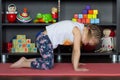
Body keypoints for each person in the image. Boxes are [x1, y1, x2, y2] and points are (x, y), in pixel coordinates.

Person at [10, 20, 102, 71]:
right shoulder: (77, 30)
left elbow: (75, 50)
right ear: (88, 32)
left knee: (47, 60)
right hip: (44, 39)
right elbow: (76, 50)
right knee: (48, 65)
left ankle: (25, 60)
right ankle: (23, 63)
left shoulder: (79, 27)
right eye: (88, 42)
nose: (86, 44)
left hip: (44, 38)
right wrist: (76, 68)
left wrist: (76, 63)